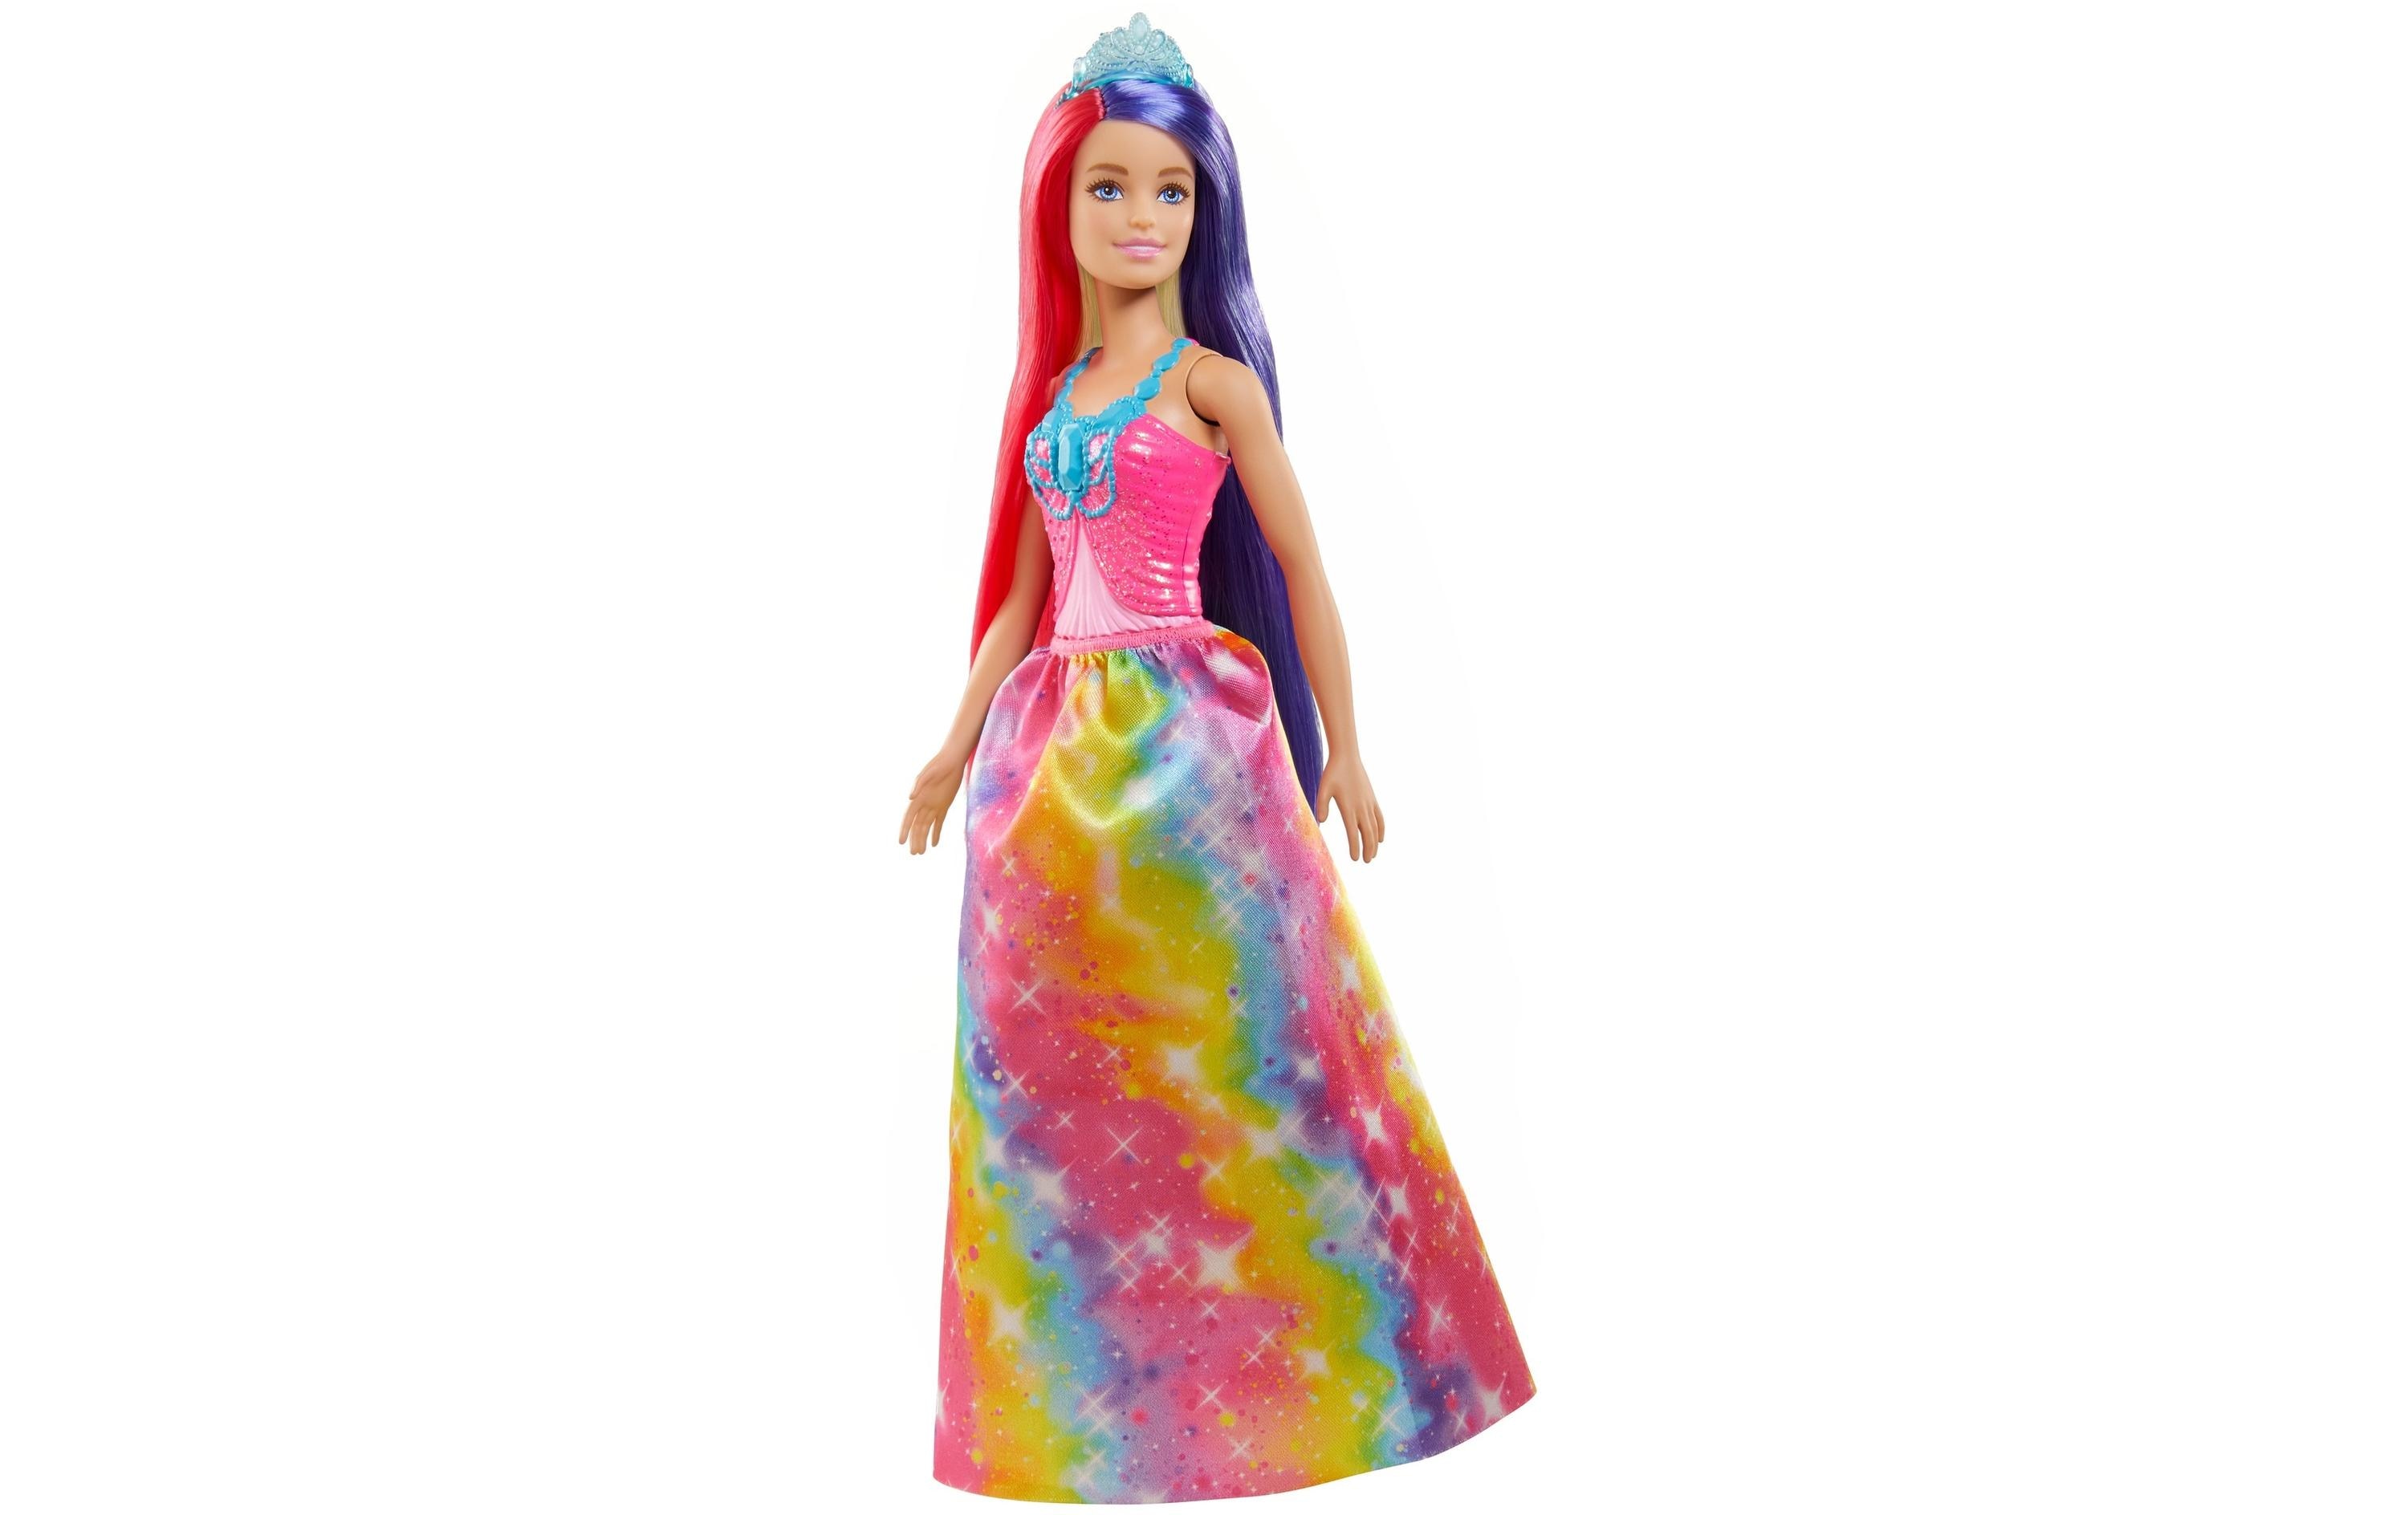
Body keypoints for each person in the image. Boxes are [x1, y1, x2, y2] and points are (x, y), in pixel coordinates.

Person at [897, 15, 1536, 1502]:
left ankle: (1315, 1373)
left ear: (1208, 207)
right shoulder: (1052, 401)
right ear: (1060, 203)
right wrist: (950, 746)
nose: (1143, 215)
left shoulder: (1210, 386)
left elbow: (1305, 570)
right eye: (1110, 186)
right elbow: (1022, 602)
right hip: (1048, 780)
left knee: (1259, 1054)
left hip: (1194, 757)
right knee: (1048, 1082)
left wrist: (1345, 747)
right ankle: (1093, 1406)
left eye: (1172, 189)